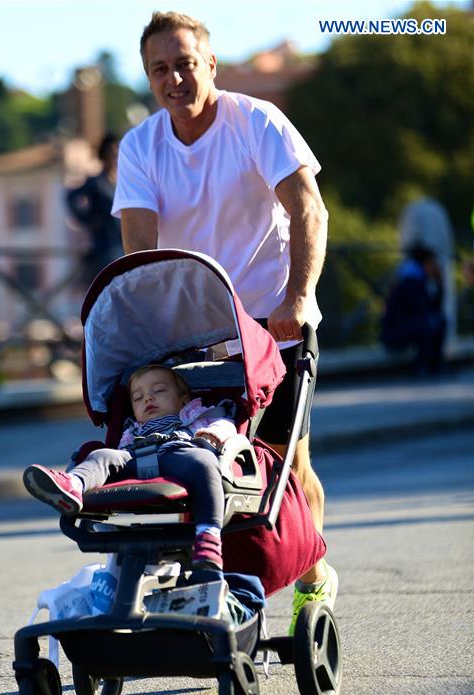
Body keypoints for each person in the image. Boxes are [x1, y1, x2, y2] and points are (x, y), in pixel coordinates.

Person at [111, 10, 336, 634]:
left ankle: (311, 576)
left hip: (272, 320)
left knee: (286, 463)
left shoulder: (256, 122)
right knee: (192, 453)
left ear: (209, 63)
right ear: (149, 78)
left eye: (185, 63)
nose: (174, 78)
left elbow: (307, 209)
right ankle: (211, 579)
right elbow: (139, 254)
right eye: (160, 69)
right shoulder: (141, 147)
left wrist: (300, 295)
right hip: (192, 332)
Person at [23, 364, 237, 577]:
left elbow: (225, 424)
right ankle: (74, 484)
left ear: (183, 400)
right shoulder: (132, 428)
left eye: (159, 390)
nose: (148, 399)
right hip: (135, 457)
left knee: (203, 460)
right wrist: (110, 460)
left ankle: (207, 534)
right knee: (101, 456)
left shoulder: (196, 415)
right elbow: (118, 454)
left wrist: (212, 434)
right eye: (138, 397)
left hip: (177, 453)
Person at [381, 244, 447, 375]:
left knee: (439, 321)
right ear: (425, 263)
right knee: (428, 324)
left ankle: (434, 365)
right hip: (394, 332)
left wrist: (439, 283)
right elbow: (422, 310)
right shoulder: (410, 282)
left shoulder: (418, 279)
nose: (435, 266)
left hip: (408, 326)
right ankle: (422, 366)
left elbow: (434, 308)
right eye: (432, 262)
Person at [66, 133, 123, 280]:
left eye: (117, 154)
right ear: (103, 156)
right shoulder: (96, 182)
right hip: (103, 246)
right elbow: (70, 196)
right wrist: (86, 219)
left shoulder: (120, 182)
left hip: (120, 244)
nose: (114, 158)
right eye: (111, 154)